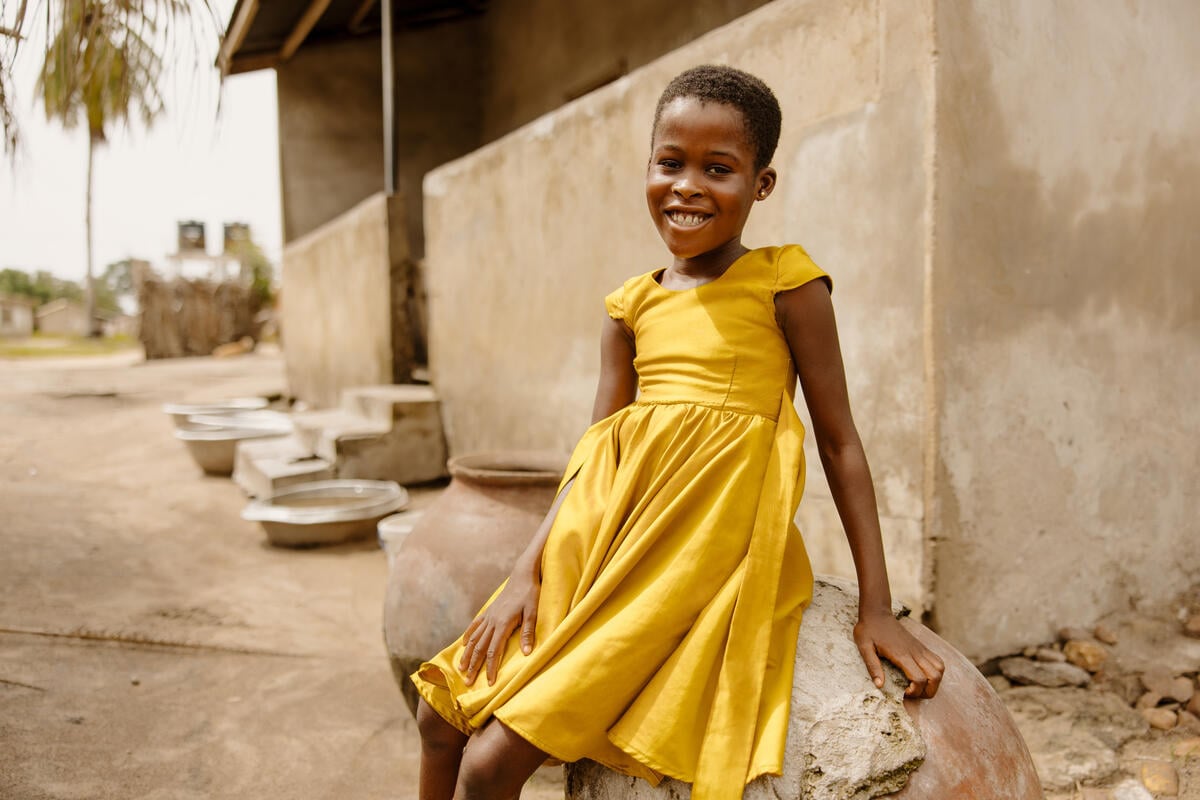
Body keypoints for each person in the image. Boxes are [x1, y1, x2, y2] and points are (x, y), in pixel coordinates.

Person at [411, 64, 946, 800]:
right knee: (436, 718)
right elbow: (594, 453)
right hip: (598, 544)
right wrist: (525, 572)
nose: (687, 186)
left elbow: (840, 444)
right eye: (670, 163)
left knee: (488, 767)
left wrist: (876, 607)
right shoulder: (629, 306)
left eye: (717, 169)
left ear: (761, 185)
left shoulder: (787, 285)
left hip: (690, 558)